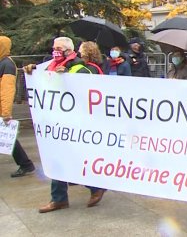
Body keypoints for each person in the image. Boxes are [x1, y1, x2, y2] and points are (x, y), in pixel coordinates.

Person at [25, 38, 107, 213]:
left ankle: (92, 187)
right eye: (54, 48)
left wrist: (68, 77)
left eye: (59, 48)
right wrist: (32, 71)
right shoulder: (49, 65)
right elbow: (42, 81)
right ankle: (60, 198)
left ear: (69, 51)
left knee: (72, 157)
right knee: (58, 158)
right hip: (56, 121)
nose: (55, 51)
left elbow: (88, 89)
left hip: (74, 122)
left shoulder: (81, 67)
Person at [0, 36, 36, 178]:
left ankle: (26, 164)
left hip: (2, 108)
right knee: (7, 138)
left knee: (8, 138)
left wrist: (6, 112)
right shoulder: (3, 62)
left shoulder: (7, 64)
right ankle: (26, 164)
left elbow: (7, 90)